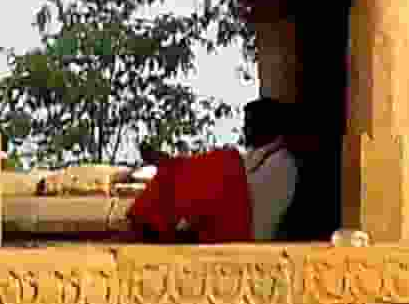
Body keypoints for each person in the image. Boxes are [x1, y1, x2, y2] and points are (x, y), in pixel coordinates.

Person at [127, 99, 305, 246]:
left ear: (270, 125)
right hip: (233, 217)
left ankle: (172, 169)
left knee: (225, 163)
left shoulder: (283, 161)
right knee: (207, 169)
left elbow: (239, 187)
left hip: (247, 229)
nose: (245, 130)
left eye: (251, 124)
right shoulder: (260, 155)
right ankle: (159, 212)